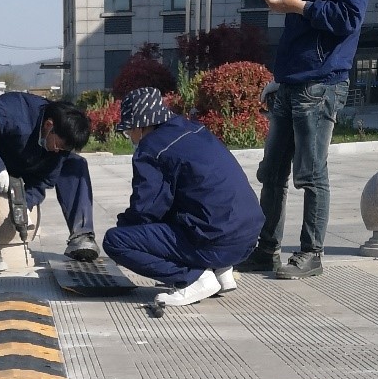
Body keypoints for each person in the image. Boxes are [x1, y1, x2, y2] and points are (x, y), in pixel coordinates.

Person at [237, 0, 374, 282]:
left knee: (311, 175)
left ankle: (311, 253)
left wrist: (299, 6)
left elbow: (349, 18)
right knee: (272, 173)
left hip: (321, 81)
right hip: (293, 78)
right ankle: (266, 250)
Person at [101, 87, 264, 308]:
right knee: (186, 204)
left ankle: (195, 278)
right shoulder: (193, 129)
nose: (129, 137)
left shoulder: (152, 149)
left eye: (128, 131)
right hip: (247, 237)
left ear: (140, 127)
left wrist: (126, 229)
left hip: (216, 241)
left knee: (116, 241)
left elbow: (146, 208)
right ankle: (221, 271)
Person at [0, 92, 99, 274]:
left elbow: (45, 179)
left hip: (30, 163)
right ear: (49, 126)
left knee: (76, 164)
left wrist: (26, 204)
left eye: (64, 149)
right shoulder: (14, 110)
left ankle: (82, 235)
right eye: (58, 145)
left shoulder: (59, 148)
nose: (58, 151)